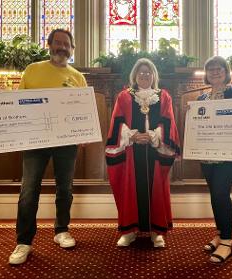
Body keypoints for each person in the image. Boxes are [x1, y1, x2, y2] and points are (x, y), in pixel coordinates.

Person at [9, 29, 87, 265]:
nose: (61, 47)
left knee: (65, 188)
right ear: (49, 45)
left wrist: (83, 131)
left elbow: (83, 111)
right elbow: (18, 104)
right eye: (57, 43)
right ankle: (24, 241)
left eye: (66, 44)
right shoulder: (33, 70)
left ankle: (61, 230)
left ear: (72, 49)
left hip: (66, 142)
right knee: (29, 190)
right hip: (35, 140)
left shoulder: (78, 77)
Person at [105, 58, 180, 248]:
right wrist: (132, 135)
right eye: (141, 72)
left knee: (158, 190)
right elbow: (117, 123)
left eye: (148, 72)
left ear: (154, 75)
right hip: (132, 152)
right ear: (134, 76)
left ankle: (157, 232)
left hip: (155, 152)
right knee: (129, 189)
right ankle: (129, 231)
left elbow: (169, 122)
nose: (144, 75)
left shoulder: (164, 96)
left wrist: (154, 136)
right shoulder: (124, 96)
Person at [198, 56, 232, 263]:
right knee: (214, 194)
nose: (215, 72)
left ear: (226, 72)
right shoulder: (201, 99)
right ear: (206, 75)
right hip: (207, 156)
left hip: (230, 154)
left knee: (221, 192)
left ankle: (227, 242)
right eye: (211, 69)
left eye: (219, 69)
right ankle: (219, 234)